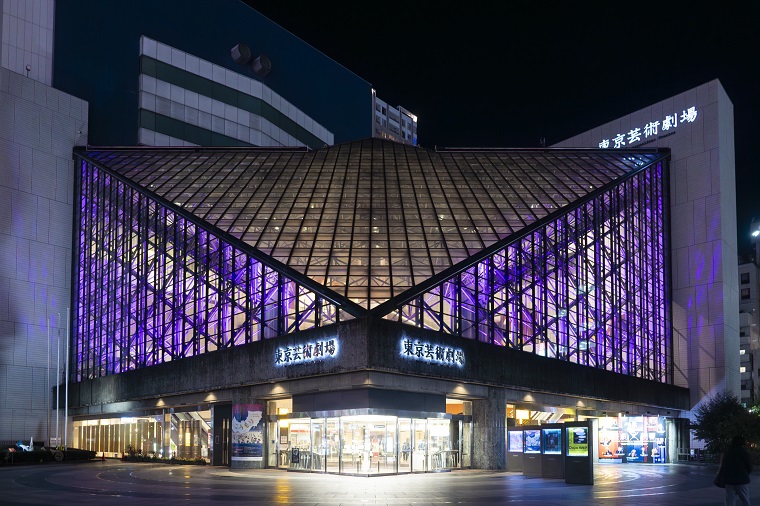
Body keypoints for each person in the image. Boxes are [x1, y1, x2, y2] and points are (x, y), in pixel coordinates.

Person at [717, 435, 753, 506]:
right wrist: (746, 473)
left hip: (729, 480)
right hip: (742, 479)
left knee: (730, 499)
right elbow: (749, 466)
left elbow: (723, 466)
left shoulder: (727, 452)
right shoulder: (744, 452)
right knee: (745, 499)